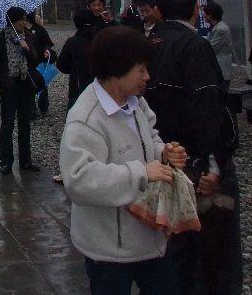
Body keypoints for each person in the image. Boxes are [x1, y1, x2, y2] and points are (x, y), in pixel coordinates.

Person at [59, 25, 187, 294]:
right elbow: (78, 180)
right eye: (141, 69)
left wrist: (163, 152)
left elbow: (149, 137)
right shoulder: (86, 118)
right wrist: (141, 173)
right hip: (109, 249)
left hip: (149, 234)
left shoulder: (136, 102)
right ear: (117, 70)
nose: (147, 76)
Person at [147, 0, 241, 295]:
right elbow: (207, 107)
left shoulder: (146, 45)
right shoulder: (194, 46)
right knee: (216, 248)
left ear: (158, 10)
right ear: (196, 7)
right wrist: (214, 165)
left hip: (161, 157)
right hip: (196, 160)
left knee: (172, 247)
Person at [0, 6, 41, 175]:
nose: (24, 22)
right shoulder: (0, 39)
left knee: (25, 123)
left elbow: (35, 61)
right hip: (9, 85)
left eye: (25, 19)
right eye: (21, 19)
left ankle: (25, 160)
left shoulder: (28, 36)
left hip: (25, 84)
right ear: (13, 21)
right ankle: (6, 161)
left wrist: (27, 50)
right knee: (8, 123)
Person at [57, 9, 97, 109]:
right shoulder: (100, 40)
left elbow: (61, 65)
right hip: (99, 86)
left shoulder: (72, 42)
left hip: (77, 86)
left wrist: (73, 69)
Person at [28, 13, 56, 117]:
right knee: (28, 86)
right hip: (27, 62)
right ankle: (31, 109)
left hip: (40, 61)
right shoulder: (19, 30)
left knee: (41, 83)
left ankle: (43, 107)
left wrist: (46, 49)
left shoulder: (40, 29)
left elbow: (47, 42)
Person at [203, 1, 236, 87]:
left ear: (210, 15)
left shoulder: (221, 29)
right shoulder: (217, 28)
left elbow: (211, 48)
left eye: (205, 13)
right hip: (218, 68)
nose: (203, 16)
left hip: (221, 68)